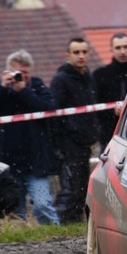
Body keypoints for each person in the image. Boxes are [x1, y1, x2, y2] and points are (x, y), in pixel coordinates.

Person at [0, 49, 60, 225]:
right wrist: (2, 88)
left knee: (42, 205)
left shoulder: (37, 87)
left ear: (30, 72)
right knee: (16, 211)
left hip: (35, 161)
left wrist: (24, 91)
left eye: (25, 73)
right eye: (17, 73)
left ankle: (55, 235)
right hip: (8, 162)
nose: (20, 76)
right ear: (8, 72)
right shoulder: (1, 90)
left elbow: (48, 108)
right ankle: (22, 243)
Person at [51, 37, 100, 224]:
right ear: (68, 55)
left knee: (82, 189)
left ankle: (75, 223)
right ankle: (63, 224)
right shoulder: (61, 80)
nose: (81, 56)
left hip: (85, 142)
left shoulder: (88, 78)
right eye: (76, 52)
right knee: (70, 190)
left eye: (84, 52)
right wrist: (59, 145)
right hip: (68, 143)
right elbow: (55, 115)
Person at [93, 32, 127, 149]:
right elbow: (94, 106)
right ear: (111, 49)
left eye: (125, 47)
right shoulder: (99, 75)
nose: (122, 52)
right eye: (118, 48)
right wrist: (112, 111)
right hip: (108, 137)